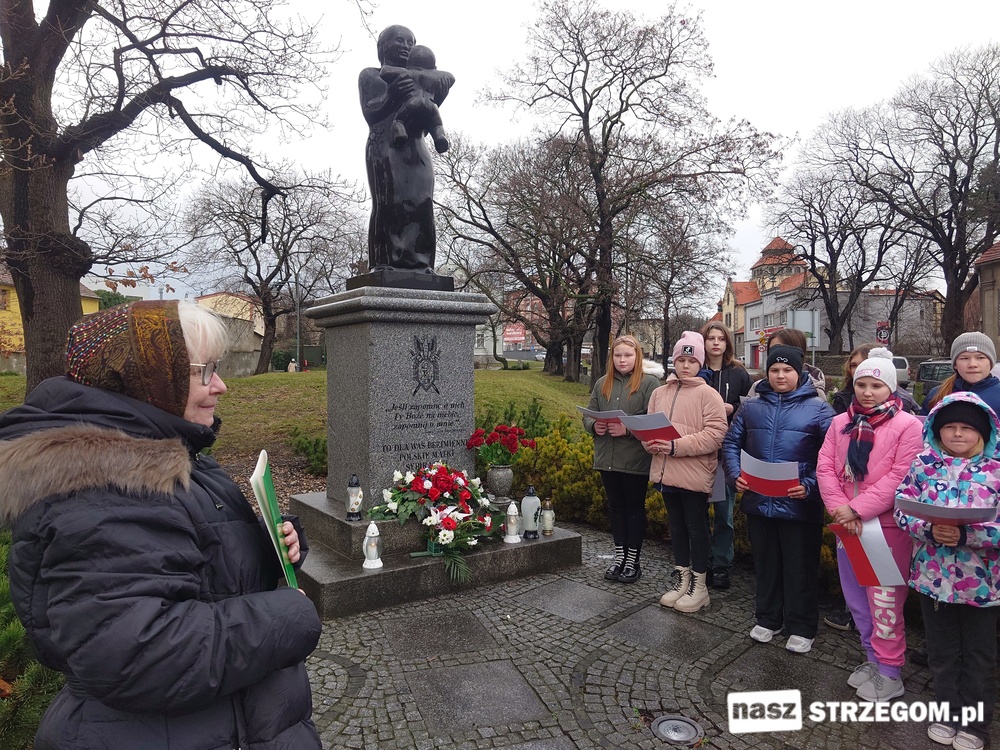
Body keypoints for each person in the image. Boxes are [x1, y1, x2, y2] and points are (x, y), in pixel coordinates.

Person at [0, 300, 323, 749]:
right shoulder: (102, 489)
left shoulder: (173, 456)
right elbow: (143, 654)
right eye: (203, 371)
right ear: (146, 376)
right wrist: (290, 614)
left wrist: (271, 550)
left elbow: (195, 565)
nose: (222, 386)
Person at [817, 348, 923, 701]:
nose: (866, 391)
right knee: (858, 600)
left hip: (885, 530)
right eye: (861, 384)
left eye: (876, 385)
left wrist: (858, 509)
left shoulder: (908, 426)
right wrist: (838, 508)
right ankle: (873, 659)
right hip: (848, 526)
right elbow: (826, 469)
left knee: (885, 601)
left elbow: (900, 477)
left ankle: (891, 672)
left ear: (890, 388)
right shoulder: (840, 423)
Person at [895, 392, 1000, 750]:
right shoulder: (924, 464)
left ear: (982, 432)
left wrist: (967, 533)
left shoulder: (995, 471)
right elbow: (902, 507)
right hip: (933, 578)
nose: (957, 434)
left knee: (978, 655)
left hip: (983, 584)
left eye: (966, 428)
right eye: (949, 427)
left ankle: (976, 724)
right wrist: (927, 529)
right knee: (942, 652)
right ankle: (946, 712)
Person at [723, 345, 835, 653]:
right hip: (759, 501)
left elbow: (833, 456)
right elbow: (731, 443)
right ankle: (768, 617)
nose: (780, 375)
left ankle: (801, 625)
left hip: (799, 503)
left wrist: (810, 484)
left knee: (800, 566)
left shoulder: (820, 409)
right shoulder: (751, 407)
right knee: (767, 563)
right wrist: (736, 474)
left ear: (799, 373)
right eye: (774, 370)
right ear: (767, 373)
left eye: (787, 370)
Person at [360, 25, 454, 271]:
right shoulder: (372, 75)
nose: (404, 45)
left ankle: (422, 264)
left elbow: (423, 118)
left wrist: (437, 96)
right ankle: (383, 263)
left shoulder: (421, 77)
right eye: (398, 40)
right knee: (390, 202)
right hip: (386, 146)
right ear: (384, 46)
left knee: (422, 203)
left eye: (409, 41)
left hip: (416, 147)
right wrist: (391, 94)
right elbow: (371, 114)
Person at [645, 332, 727, 613]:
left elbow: (716, 435)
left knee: (697, 528)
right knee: (677, 527)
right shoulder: (659, 393)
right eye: (681, 359)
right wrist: (649, 441)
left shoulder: (708, 394)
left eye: (692, 360)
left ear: (700, 363)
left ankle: (700, 587)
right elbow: (649, 428)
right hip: (666, 473)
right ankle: (682, 579)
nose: (686, 365)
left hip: (693, 474)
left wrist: (675, 445)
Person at [582, 335, 660, 583]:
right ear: (611, 358)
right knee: (615, 509)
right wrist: (594, 425)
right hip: (607, 457)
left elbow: (654, 421)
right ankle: (619, 556)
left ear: (637, 356)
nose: (622, 360)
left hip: (635, 460)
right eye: (618, 355)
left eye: (628, 355)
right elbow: (588, 415)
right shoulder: (602, 383)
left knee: (634, 509)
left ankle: (633, 560)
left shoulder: (649, 384)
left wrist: (627, 430)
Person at [700, 321, 752, 590]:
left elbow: (751, 409)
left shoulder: (739, 373)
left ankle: (720, 564)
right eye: (711, 338)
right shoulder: (695, 370)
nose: (716, 343)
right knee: (697, 513)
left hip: (724, 454)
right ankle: (698, 562)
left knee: (723, 513)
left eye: (721, 338)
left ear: (727, 343)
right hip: (696, 454)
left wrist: (732, 407)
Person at [380, 44, 453, 153]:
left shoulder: (408, 73)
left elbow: (385, 71)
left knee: (399, 119)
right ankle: (439, 136)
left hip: (413, 102)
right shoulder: (436, 76)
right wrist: (436, 74)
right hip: (431, 105)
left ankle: (399, 129)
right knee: (437, 124)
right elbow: (451, 78)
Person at [922, 332, 1000, 418]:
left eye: (980, 358)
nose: (972, 364)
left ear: (991, 363)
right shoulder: (937, 395)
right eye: (964, 358)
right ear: (955, 364)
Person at [832, 342, 919, 415]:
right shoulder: (841, 398)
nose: (857, 369)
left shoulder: (901, 401)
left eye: (863, 363)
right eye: (853, 365)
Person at [747, 328, 827, 400]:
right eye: (773, 349)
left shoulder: (814, 392)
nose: (778, 352)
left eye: (784, 348)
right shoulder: (758, 388)